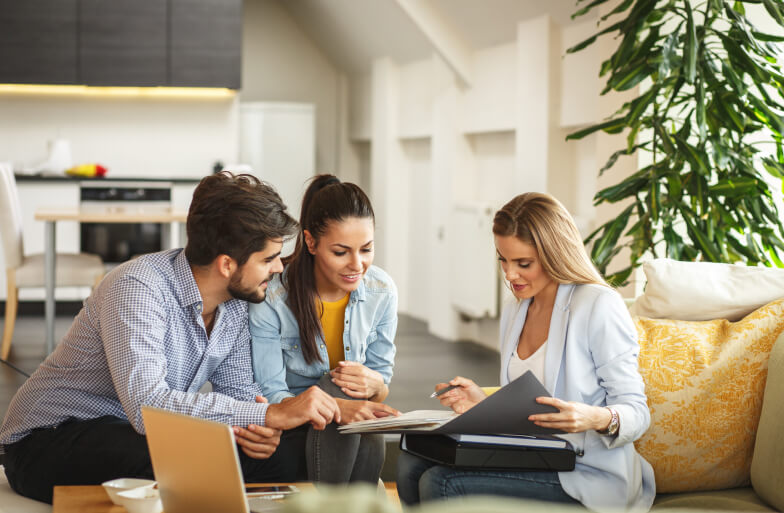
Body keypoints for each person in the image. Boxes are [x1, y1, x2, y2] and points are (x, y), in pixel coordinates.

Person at [0, 173, 341, 504]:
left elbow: (238, 394)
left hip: (139, 432)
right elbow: (146, 406)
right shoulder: (137, 286)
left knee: (294, 454)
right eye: (268, 259)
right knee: (179, 459)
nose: (279, 267)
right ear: (226, 264)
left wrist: (257, 430)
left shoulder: (237, 302)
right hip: (48, 438)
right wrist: (270, 416)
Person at [396, 192, 655, 511]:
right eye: (503, 259)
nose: (509, 274)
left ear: (555, 254)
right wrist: (484, 401)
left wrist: (595, 417)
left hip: (586, 473)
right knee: (411, 464)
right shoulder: (516, 310)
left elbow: (638, 412)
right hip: (533, 457)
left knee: (441, 482)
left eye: (523, 263)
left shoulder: (598, 305)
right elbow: (532, 403)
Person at [249, 174, 399, 484]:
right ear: (311, 242)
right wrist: (337, 405)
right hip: (294, 421)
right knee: (335, 386)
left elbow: (381, 384)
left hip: (350, 425)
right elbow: (270, 392)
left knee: (359, 405)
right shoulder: (273, 297)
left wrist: (374, 385)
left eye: (366, 250)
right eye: (341, 252)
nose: (357, 265)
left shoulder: (382, 290)